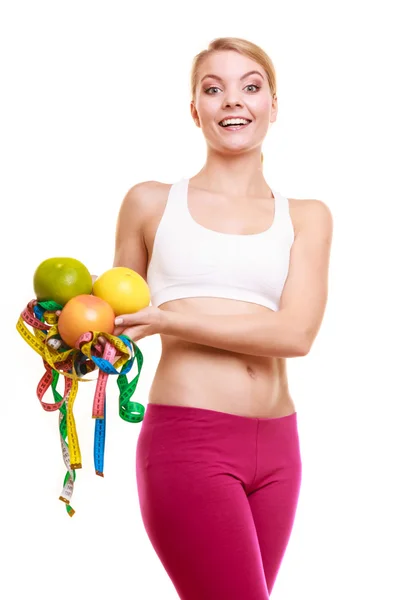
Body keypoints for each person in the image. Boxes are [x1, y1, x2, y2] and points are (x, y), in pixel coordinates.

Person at [112, 37, 333, 600]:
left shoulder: (307, 217)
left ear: (273, 105)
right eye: (214, 89)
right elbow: (118, 322)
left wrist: (170, 321)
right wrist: (70, 330)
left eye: (250, 86)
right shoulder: (150, 203)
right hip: (189, 441)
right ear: (195, 110)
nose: (233, 100)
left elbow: (295, 334)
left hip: (280, 447)